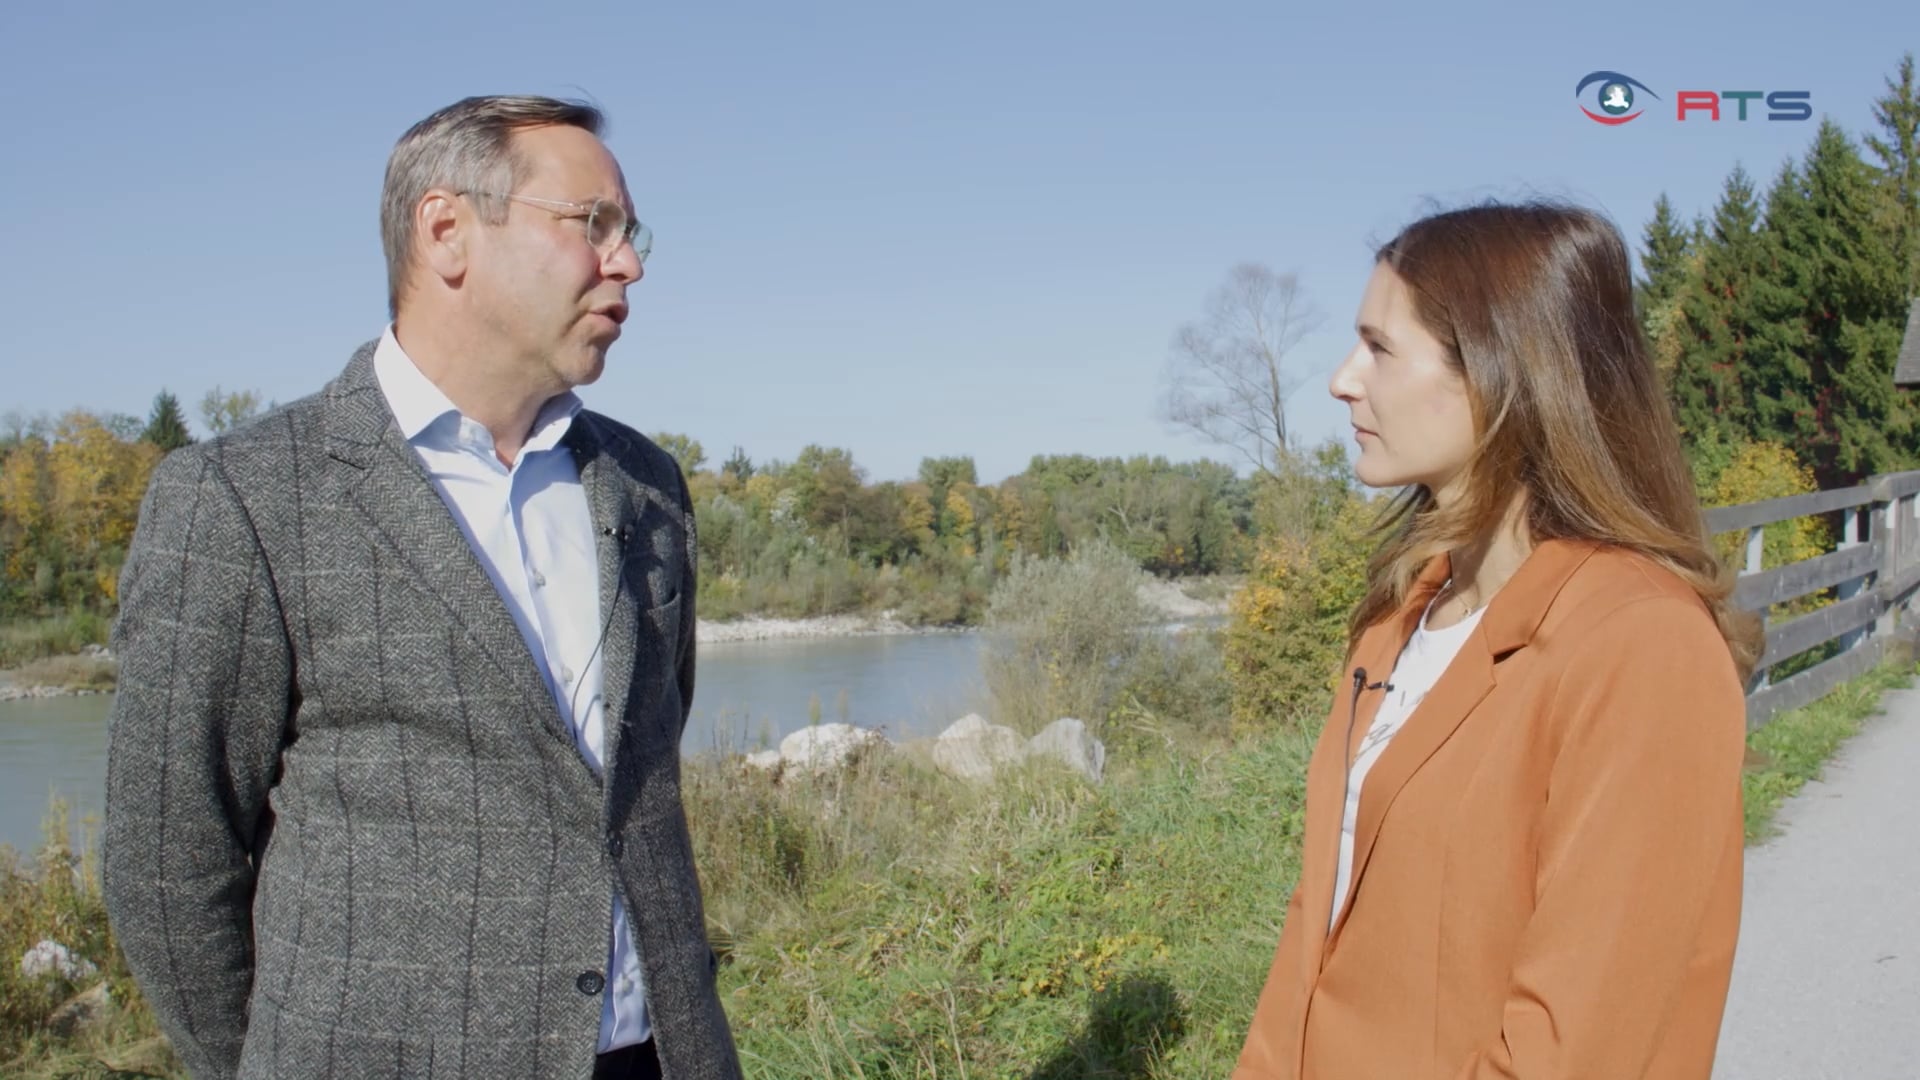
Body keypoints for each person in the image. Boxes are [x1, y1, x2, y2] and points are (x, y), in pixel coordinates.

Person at [102, 95, 740, 1080]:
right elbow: (168, 862)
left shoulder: (646, 485)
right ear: (447, 232)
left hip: (663, 1054)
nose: (629, 263)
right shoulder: (243, 497)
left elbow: (631, 774)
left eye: (632, 233)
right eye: (593, 226)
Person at [1233, 200, 1761, 1079]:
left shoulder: (1639, 646)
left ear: (1498, 372)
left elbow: (1576, 1044)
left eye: (1380, 347)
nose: (1341, 379)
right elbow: (1313, 927)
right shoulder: (1394, 626)